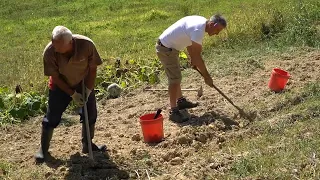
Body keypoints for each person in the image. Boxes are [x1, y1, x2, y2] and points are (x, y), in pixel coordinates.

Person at [35, 26, 106, 163]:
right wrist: (72, 94)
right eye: (55, 46)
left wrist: (88, 90)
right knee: (52, 117)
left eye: (60, 48)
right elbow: (55, 77)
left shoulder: (86, 45)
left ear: (71, 42)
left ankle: (87, 144)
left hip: (83, 82)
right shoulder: (50, 52)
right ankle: (43, 150)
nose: (57, 50)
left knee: (90, 114)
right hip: (60, 85)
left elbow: (92, 69)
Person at [156, 14, 227, 123]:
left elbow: (190, 43)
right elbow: (198, 56)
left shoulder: (201, 23)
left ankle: (181, 102)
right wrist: (206, 76)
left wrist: (192, 58)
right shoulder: (198, 29)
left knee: (176, 77)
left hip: (170, 48)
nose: (217, 33)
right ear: (213, 24)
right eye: (217, 30)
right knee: (174, 79)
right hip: (166, 49)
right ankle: (173, 111)